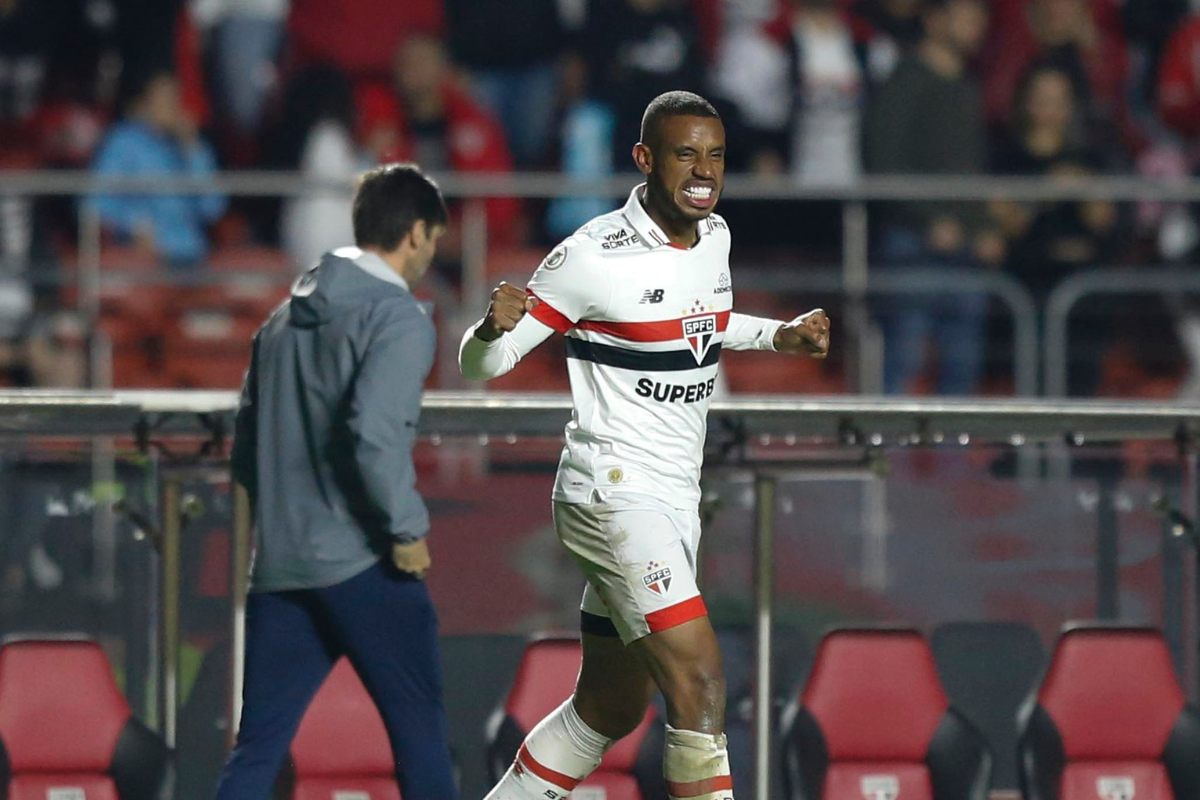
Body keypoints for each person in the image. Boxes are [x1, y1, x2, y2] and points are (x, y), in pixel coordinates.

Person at [459, 90, 830, 800]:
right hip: (613, 494)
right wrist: (487, 330)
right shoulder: (592, 255)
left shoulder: (714, 235)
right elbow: (486, 368)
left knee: (609, 708)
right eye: (685, 153)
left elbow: (700, 323)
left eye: (715, 154)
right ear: (644, 159)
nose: (703, 170)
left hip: (670, 502)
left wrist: (775, 335)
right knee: (700, 681)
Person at [216, 164, 456, 800]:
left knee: (257, 750)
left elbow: (245, 447)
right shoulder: (399, 319)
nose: (432, 255)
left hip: (282, 567)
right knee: (423, 739)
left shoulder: (278, 323)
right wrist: (406, 530)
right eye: (433, 240)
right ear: (414, 233)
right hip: (364, 563)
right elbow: (374, 433)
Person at [864, 0, 1002, 395]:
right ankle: (885, 458)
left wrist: (985, 226)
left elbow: (972, 173)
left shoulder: (967, 85)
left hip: (967, 251)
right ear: (934, 20)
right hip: (913, 247)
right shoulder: (904, 82)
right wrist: (928, 221)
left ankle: (951, 460)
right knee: (904, 368)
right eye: (966, 13)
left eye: (980, 15)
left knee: (961, 373)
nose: (977, 23)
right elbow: (883, 165)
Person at [89, 70, 227, 267]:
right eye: (165, 100)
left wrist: (194, 150)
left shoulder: (190, 146)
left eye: (176, 99)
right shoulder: (122, 142)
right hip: (142, 257)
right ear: (144, 103)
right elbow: (94, 203)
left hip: (192, 255)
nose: (173, 107)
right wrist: (135, 224)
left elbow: (213, 208)